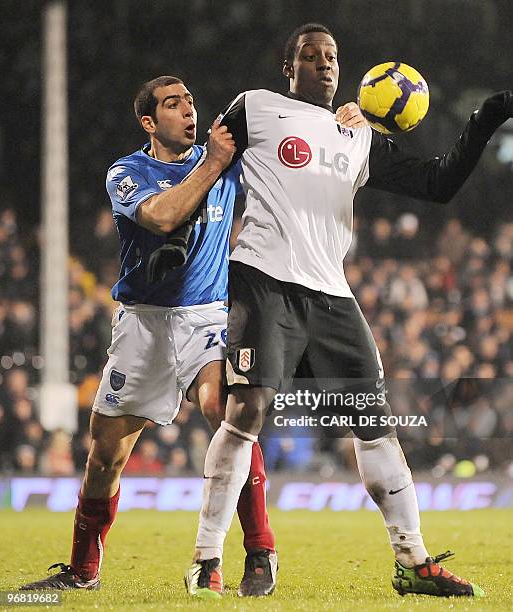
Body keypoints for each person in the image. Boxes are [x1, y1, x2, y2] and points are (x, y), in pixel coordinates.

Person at [186, 23, 512, 598]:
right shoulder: (255, 108)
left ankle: (412, 562)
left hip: (332, 296)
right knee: (245, 417)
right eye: (310, 57)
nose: (325, 64)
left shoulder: (355, 134)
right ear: (289, 67)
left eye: (332, 57)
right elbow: (206, 172)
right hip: (264, 281)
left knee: (376, 425)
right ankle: (207, 559)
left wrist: (487, 116)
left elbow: (438, 183)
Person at [21, 75, 280, 596]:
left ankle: (259, 552)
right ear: (149, 121)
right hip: (142, 323)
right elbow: (161, 217)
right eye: (172, 103)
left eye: (189, 100)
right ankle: (83, 570)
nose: (188, 109)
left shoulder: (230, 161)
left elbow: (288, 140)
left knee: (226, 413)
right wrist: (212, 163)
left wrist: (343, 122)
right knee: (104, 456)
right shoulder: (128, 172)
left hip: (207, 315)